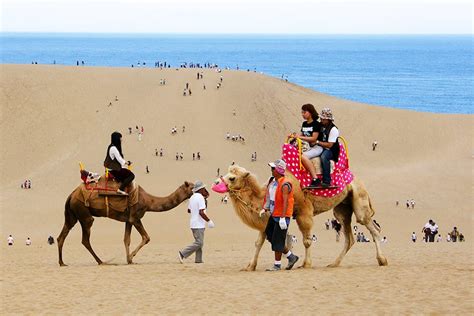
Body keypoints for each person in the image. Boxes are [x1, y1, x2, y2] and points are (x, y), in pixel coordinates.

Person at [259, 159, 299, 271]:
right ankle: (291, 256)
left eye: (273, 169)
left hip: (282, 216)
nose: (271, 171)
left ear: (279, 170)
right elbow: (270, 196)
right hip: (273, 214)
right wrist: (265, 208)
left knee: (278, 240)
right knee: (270, 236)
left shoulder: (285, 184)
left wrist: (282, 217)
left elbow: (285, 201)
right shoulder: (272, 182)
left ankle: (277, 265)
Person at [178, 181, 214, 263]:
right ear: (200, 189)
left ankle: (198, 260)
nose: (205, 189)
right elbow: (201, 212)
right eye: (203, 188)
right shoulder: (200, 198)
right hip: (199, 224)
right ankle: (182, 254)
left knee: (199, 242)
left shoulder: (192, 197)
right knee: (199, 243)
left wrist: (195, 209)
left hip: (193, 223)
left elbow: (189, 210)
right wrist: (209, 221)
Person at [292, 104, 322, 187]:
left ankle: (315, 178)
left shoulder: (316, 124)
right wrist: (294, 136)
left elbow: (314, 138)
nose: (302, 114)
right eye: (302, 112)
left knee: (303, 157)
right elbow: (301, 135)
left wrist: (300, 137)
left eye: (304, 112)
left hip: (316, 147)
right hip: (307, 146)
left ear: (311, 112)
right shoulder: (304, 123)